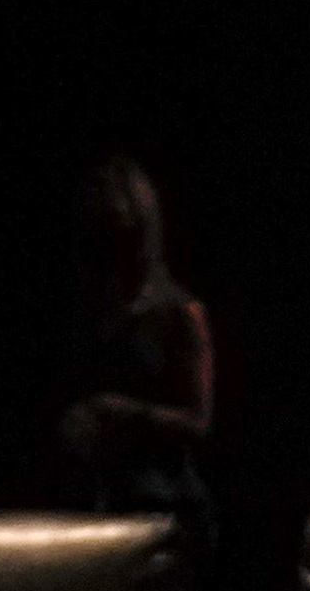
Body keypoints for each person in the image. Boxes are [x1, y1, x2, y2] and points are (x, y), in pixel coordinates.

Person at [50, 152, 215, 535]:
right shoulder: (85, 312)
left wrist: (118, 412)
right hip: (91, 500)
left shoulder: (179, 313)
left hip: (162, 503)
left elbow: (198, 421)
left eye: (115, 230)